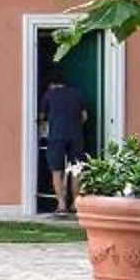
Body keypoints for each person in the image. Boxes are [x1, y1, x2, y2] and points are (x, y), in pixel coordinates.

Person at [39, 71, 91, 217]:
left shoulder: (49, 95)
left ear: (51, 84)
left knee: (57, 169)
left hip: (56, 135)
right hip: (76, 135)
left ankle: (61, 204)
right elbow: (84, 116)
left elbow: (42, 117)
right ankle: (75, 203)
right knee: (76, 169)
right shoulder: (77, 93)